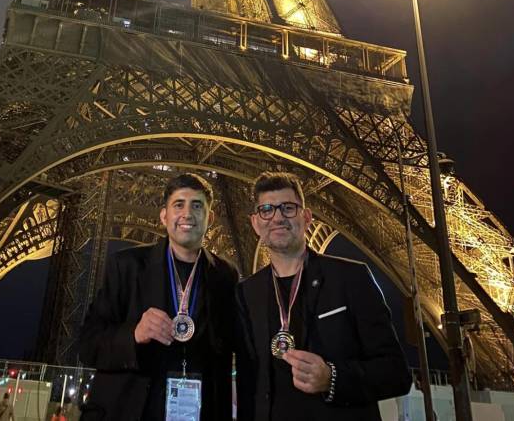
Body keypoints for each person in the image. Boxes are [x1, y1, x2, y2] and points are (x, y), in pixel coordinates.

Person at [235, 172, 412, 421]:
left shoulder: (351, 277)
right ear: (255, 223)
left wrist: (332, 378)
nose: (277, 217)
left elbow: (397, 374)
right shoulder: (245, 292)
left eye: (288, 208)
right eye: (266, 209)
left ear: (306, 217)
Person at [78, 172, 239, 420]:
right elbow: (88, 345)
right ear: (164, 215)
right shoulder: (127, 266)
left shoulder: (225, 275)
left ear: (210, 217)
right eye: (179, 204)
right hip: (132, 411)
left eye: (197, 205)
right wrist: (134, 334)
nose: (187, 213)